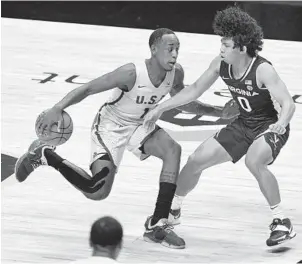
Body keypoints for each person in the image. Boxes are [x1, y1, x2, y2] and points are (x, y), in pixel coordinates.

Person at [14, 28, 237, 249]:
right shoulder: (131, 73)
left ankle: (157, 224)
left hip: (139, 124)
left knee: (173, 150)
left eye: (177, 49)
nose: (174, 54)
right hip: (110, 126)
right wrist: (57, 108)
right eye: (170, 48)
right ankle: (45, 155)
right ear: (154, 49)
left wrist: (219, 112)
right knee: (97, 191)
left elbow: (183, 100)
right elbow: (89, 88)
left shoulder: (175, 73)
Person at [143, 7, 296, 247]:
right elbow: (193, 90)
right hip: (244, 124)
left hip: (270, 125)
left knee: (254, 161)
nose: (221, 48)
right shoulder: (220, 64)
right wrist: (161, 107)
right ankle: (173, 211)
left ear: (242, 47)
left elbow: (288, 102)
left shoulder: (262, 69)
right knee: (195, 161)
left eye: (226, 45)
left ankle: (281, 221)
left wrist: (281, 123)